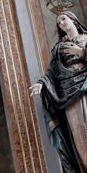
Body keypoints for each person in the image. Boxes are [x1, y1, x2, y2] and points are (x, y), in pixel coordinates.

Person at [30, 11, 87, 172]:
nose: (61, 23)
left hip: (86, 87)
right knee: (78, 132)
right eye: (58, 22)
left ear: (74, 20)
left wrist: (82, 53)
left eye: (63, 18)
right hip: (68, 94)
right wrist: (41, 84)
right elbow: (52, 72)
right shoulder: (59, 48)